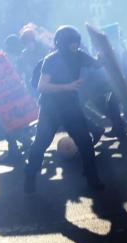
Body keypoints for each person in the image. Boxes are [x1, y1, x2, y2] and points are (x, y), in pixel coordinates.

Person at [25, 26, 106, 194]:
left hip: (71, 107)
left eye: (77, 42)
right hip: (50, 109)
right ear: (62, 43)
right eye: (72, 42)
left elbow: (97, 64)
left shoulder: (79, 55)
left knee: (85, 143)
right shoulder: (51, 60)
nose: (75, 45)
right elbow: (41, 86)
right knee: (40, 144)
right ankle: (30, 178)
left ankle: (93, 179)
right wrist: (67, 86)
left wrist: (104, 55)